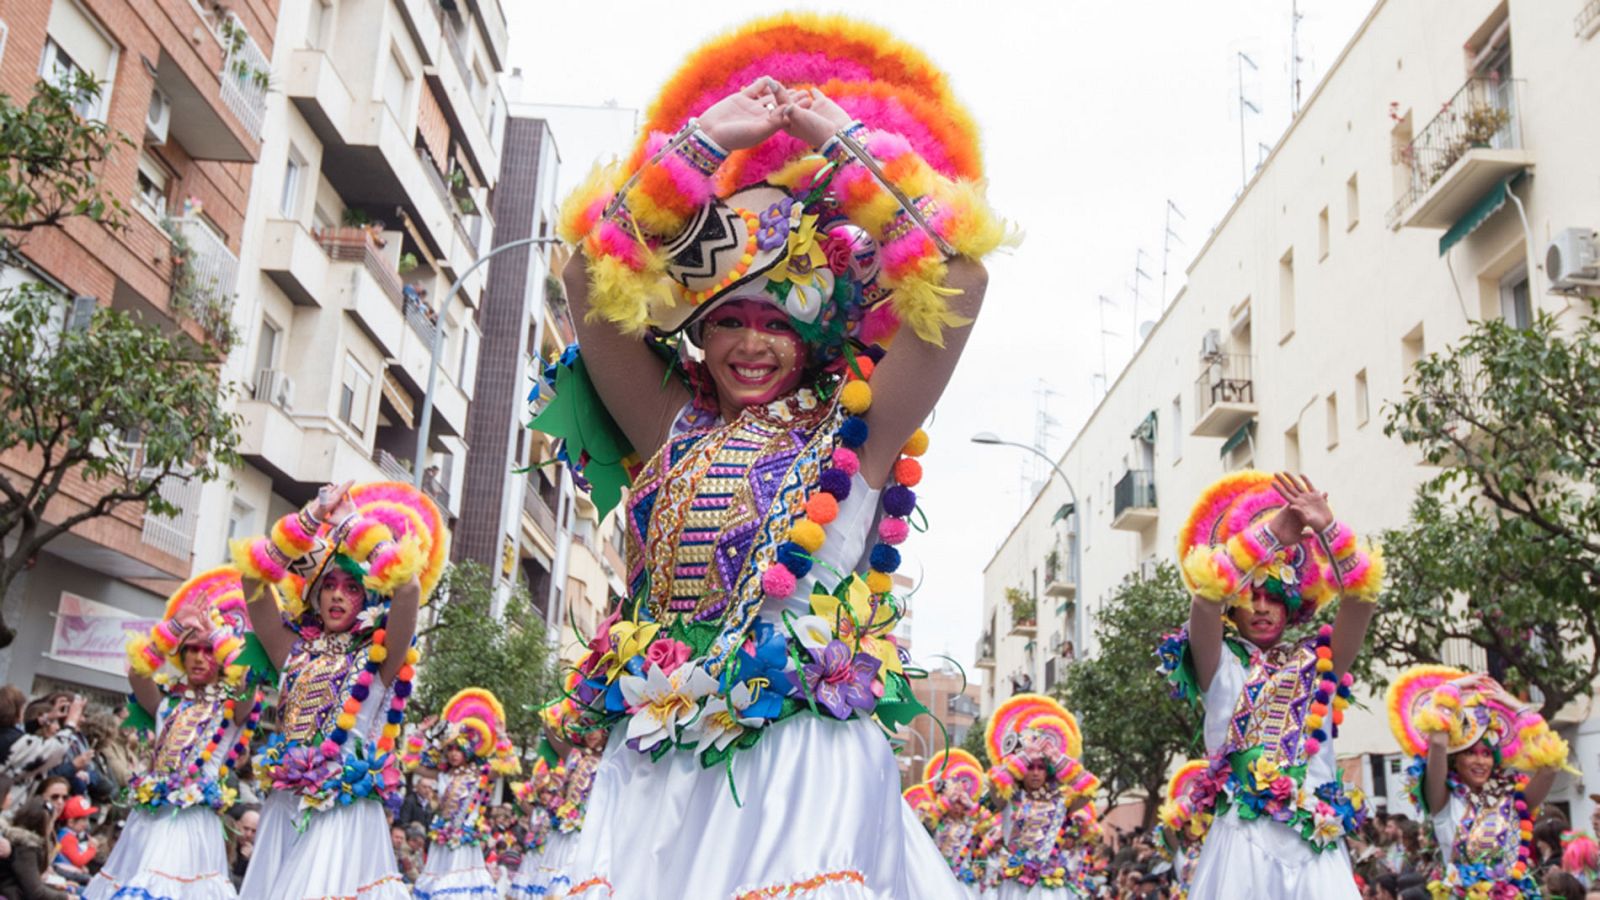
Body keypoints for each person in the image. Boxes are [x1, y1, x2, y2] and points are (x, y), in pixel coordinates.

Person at [543, 13, 1004, 897]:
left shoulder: (854, 432)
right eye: (729, 321)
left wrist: (843, 147)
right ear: (698, 335)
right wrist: (703, 144)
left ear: (821, 336)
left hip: (802, 764)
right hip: (657, 758)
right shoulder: (669, 427)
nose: (751, 346)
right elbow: (583, 281)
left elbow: (961, 277)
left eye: (777, 323)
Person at [1157, 471, 1385, 899]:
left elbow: (1362, 600)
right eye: (1251, 598)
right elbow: (1205, 599)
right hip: (1241, 844)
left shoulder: (1319, 663)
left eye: (1274, 597)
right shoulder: (1220, 665)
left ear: (1292, 604)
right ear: (1235, 607)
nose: (1262, 608)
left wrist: (1329, 530)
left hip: (1315, 846)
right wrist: (1273, 534)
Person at [232, 480, 446, 900]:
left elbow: (407, 588)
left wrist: (353, 526)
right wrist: (311, 518)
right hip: (284, 808)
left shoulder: (382, 656)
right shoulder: (292, 648)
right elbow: (253, 580)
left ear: (368, 599)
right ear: (314, 593)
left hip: (342, 816)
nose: (337, 595)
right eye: (328, 585)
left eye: (351, 588)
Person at [86, 567, 266, 900]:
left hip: (192, 821)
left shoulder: (232, 706)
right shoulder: (169, 703)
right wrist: (174, 628)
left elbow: (245, 683)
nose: (199, 656)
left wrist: (219, 636)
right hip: (150, 816)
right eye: (191, 649)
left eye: (206, 650)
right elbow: (137, 673)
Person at [1386, 666, 1573, 898]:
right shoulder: (1444, 800)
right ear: (1456, 760)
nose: (1480, 761)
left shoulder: (1513, 799)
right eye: (1471, 753)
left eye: (1486, 754)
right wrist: (1451, 690)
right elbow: (1437, 744)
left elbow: (1550, 766)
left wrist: (1519, 707)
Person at [404, 689, 519, 899]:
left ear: (467, 751)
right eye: (450, 750)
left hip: (465, 837)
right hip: (443, 836)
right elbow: (410, 763)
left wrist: (501, 735)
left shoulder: (481, 773)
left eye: (458, 749)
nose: (453, 754)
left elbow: (510, 765)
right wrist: (419, 732)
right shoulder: (442, 773)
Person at [984, 695, 1100, 899]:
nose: (1036, 773)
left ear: (1049, 772)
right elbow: (995, 783)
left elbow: (1088, 789)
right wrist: (1025, 755)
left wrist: (1057, 758)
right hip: (1016, 887)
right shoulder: (1010, 799)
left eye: (1041, 768)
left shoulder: (1062, 801)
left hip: (1050, 888)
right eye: (1030, 768)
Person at [918, 750, 998, 897]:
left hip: (963, 886)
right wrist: (946, 800)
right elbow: (923, 825)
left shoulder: (973, 824)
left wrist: (971, 806)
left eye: (961, 801)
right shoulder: (935, 819)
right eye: (954, 801)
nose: (957, 805)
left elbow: (993, 830)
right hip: (934, 883)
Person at [506, 760, 560, 898]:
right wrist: (533, 784)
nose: (544, 796)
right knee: (527, 885)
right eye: (541, 792)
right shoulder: (534, 810)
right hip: (533, 853)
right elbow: (521, 798)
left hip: (548, 853)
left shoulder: (557, 811)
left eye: (548, 792)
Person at [0, 797, 70, 899]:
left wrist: (52, 888)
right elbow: (35, 892)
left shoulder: (20, 843)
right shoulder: (27, 848)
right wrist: (66, 897)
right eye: (52, 822)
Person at [49, 795, 94, 887]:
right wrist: (92, 849)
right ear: (71, 822)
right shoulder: (68, 837)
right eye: (83, 819)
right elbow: (78, 861)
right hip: (62, 875)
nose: (87, 823)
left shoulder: (68, 834)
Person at [229, 806, 259, 890]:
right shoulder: (228, 842)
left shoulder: (258, 849)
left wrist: (249, 860)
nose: (249, 834)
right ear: (238, 825)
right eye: (246, 828)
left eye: (254, 831)